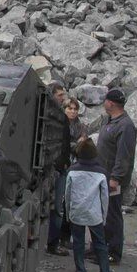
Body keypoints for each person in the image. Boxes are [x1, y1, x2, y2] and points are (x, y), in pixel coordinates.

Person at [65, 139, 128, 272]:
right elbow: (105, 197)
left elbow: (67, 195)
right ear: (95, 154)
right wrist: (103, 216)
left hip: (77, 212)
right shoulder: (102, 173)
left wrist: (68, 213)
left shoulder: (72, 171)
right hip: (95, 214)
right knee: (100, 244)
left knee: (78, 243)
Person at [96, 87, 136, 264]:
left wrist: (116, 178)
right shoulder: (109, 120)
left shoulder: (125, 126)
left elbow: (124, 155)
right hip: (102, 175)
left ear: (111, 103)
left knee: (112, 213)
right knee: (101, 213)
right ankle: (99, 247)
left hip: (113, 179)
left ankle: (113, 251)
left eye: (105, 100)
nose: (104, 103)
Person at [47, 85, 77, 256]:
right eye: (59, 95)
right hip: (56, 168)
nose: (63, 98)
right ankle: (52, 243)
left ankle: (53, 241)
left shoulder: (60, 117)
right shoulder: (57, 117)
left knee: (57, 208)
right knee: (57, 207)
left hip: (58, 167)